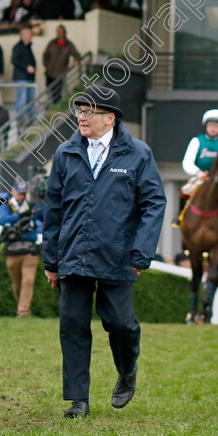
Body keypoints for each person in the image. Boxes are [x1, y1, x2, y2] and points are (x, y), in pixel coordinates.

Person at [42, 85, 166, 418]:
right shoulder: (66, 153)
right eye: (80, 111)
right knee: (73, 326)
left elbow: (155, 203)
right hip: (73, 256)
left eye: (88, 112)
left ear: (109, 119)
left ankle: (127, 371)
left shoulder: (138, 154)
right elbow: (53, 209)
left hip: (119, 256)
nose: (81, 117)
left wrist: (142, 253)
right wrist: (50, 260)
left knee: (121, 324)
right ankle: (78, 400)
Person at [0, 180, 42, 318]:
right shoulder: (7, 207)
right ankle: (21, 306)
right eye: (19, 193)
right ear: (13, 191)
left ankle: (23, 311)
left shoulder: (33, 207)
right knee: (16, 283)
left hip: (30, 250)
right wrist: (20, 216)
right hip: (12, 249)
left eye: (23, 194)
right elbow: (2, 219)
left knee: (28, 281)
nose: (21, 197)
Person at [181, 109, 218, 198]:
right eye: (210, 125)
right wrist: (198, 173)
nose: (213, 128)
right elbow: (187, 162)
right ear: (206, 126)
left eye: (216, 126)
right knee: (185, 192)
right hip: (200, 177)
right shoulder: (197, 141)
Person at [42, 25, 80, 102]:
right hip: (49, 73)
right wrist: (46, 64)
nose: (59, 33)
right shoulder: (52, 43)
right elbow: (45, 54)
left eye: (61, 31)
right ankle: (50, 108)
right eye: (58, 31)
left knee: (58, 94)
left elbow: (76, 54)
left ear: (64, 32)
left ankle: (56, 108)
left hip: (60, 74)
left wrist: (76, 59)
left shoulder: (68, 44)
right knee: (49, 92)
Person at [11, 28, 37, 122]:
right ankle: (20, 120)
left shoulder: (28, 47)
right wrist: (26, 67)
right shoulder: (18, 47)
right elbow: (14, 60)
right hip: (21, 77)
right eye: (29, 35)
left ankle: (31, 120)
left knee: (31, 99)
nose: (31, 37)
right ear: (24, 36)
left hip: (29, 78)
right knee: (21, 100)